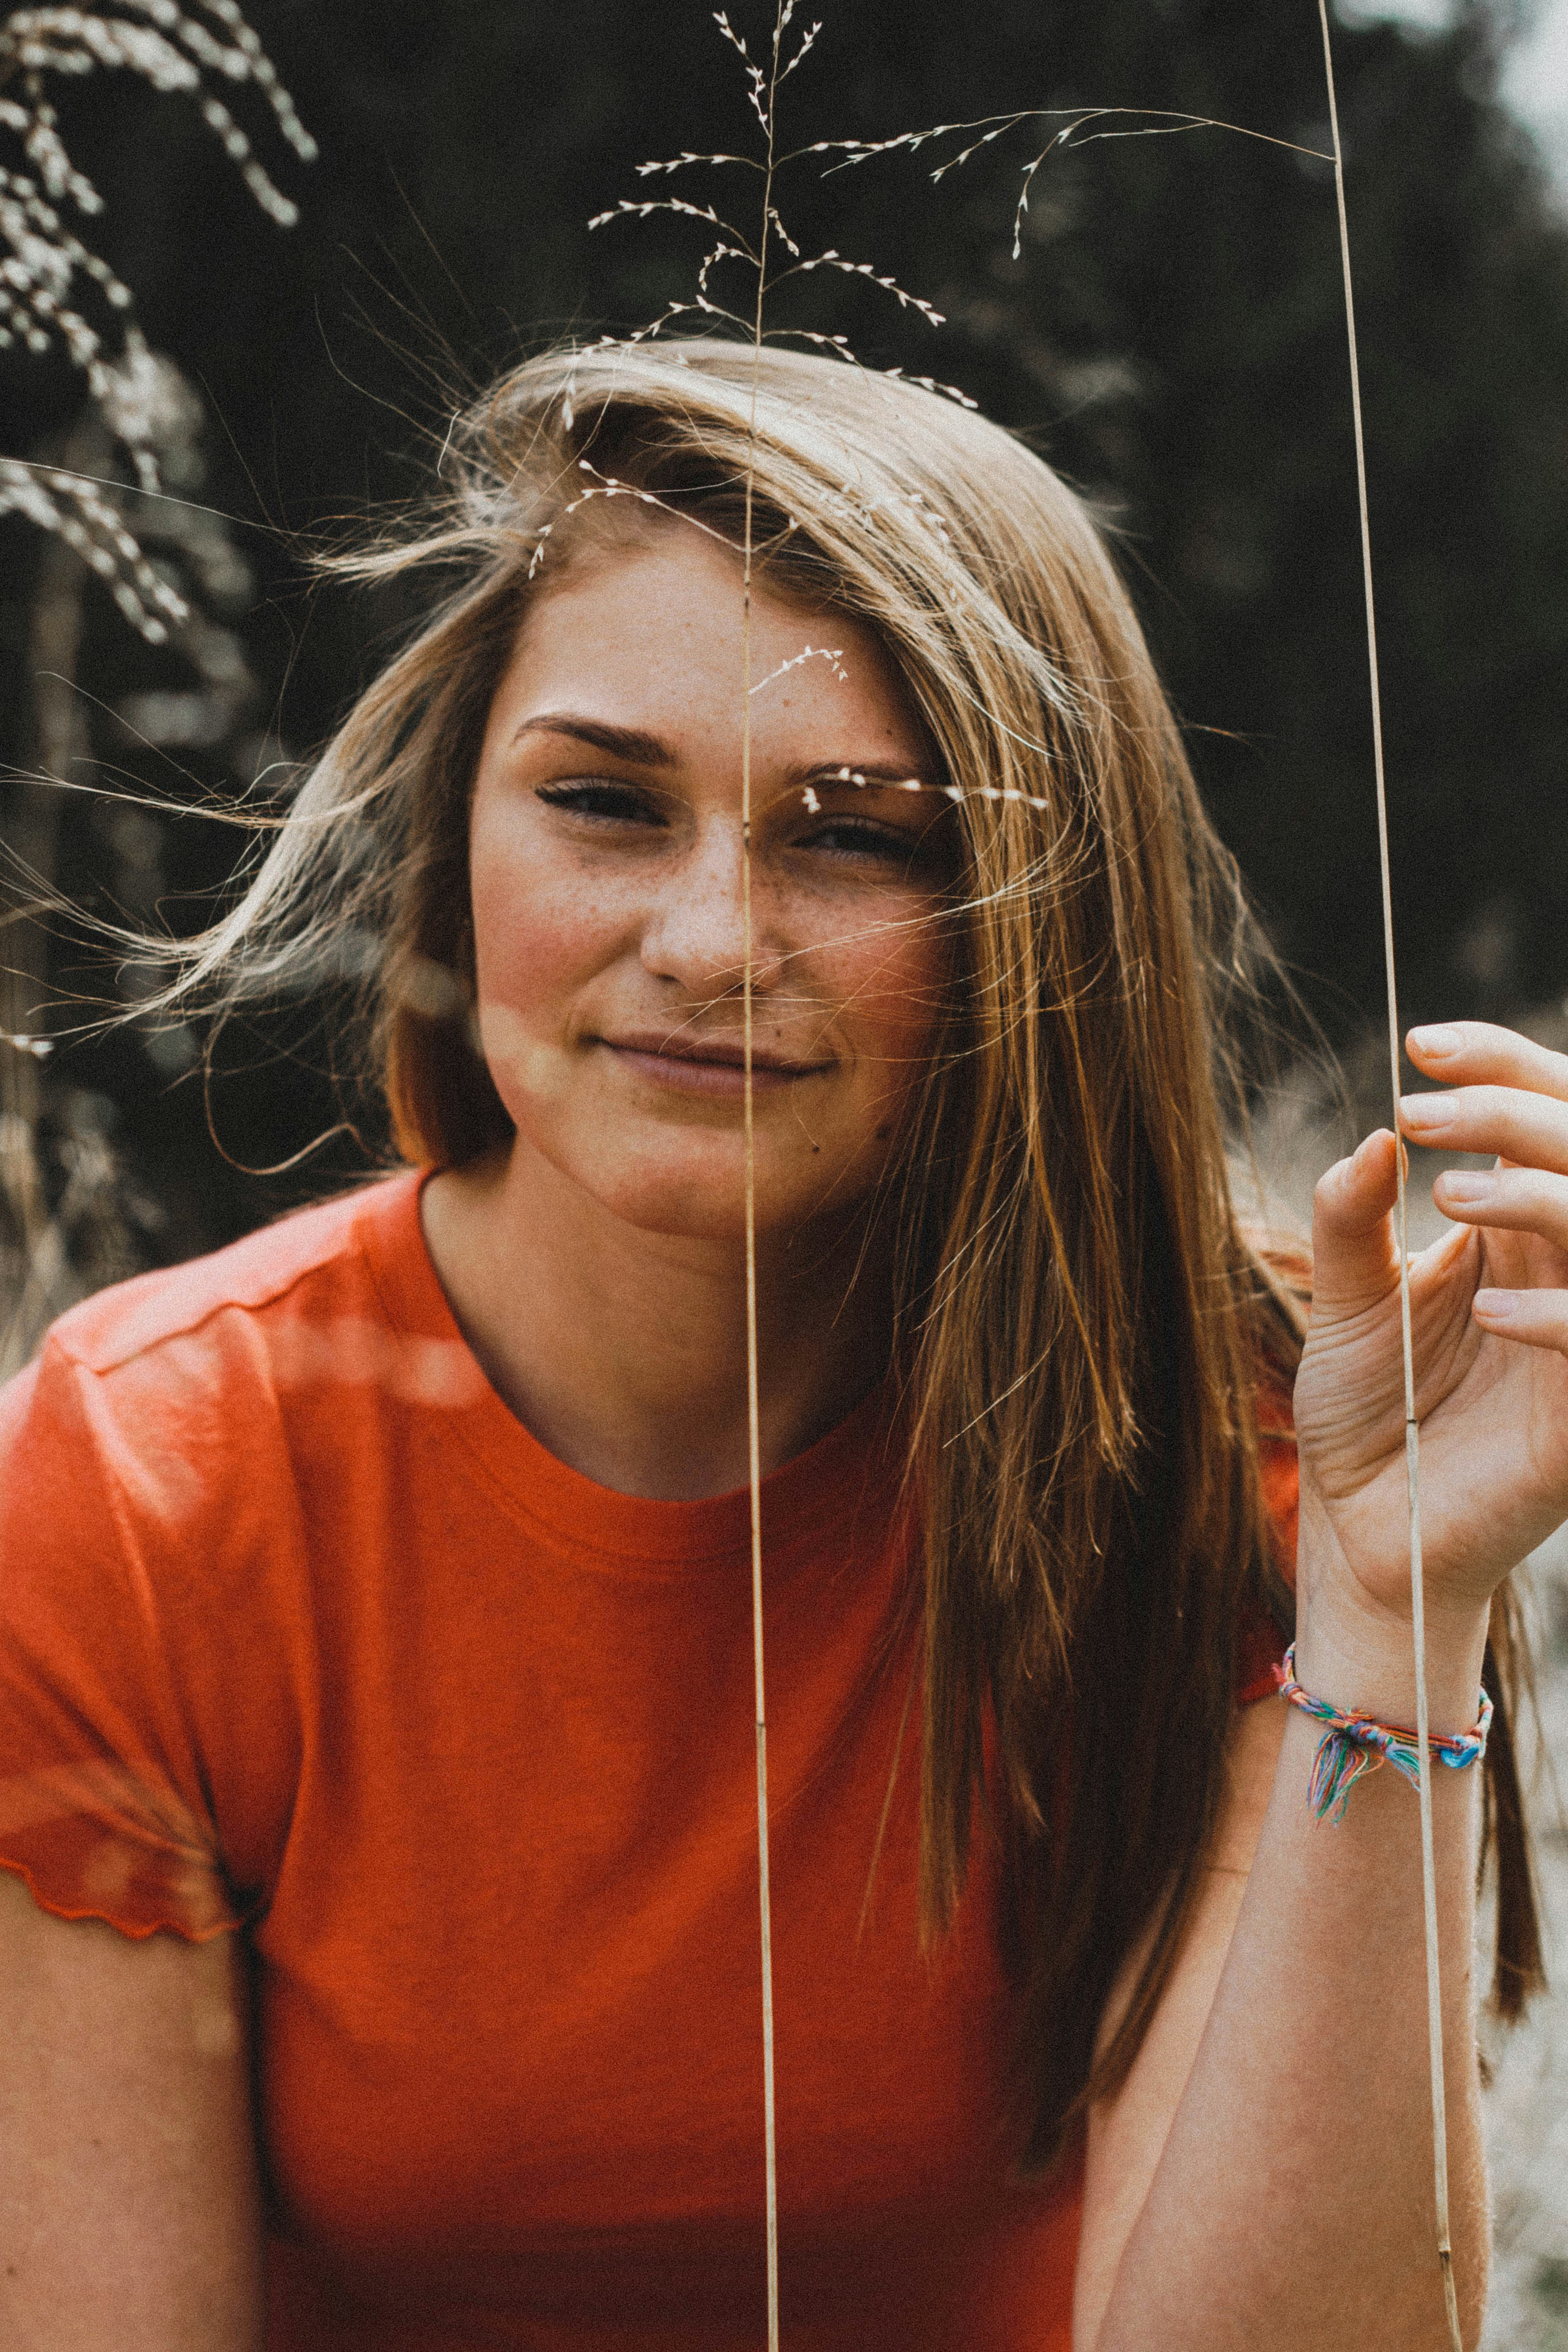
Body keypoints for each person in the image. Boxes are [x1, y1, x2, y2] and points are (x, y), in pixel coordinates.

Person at [0, 342, 1553, 2352]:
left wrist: (1389, 1607)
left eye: (854, 835)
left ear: (1032, 913)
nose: (714, 937)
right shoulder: (143, 1492)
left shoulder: (1236, 1442)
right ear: (456, 838)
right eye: (604, 803)